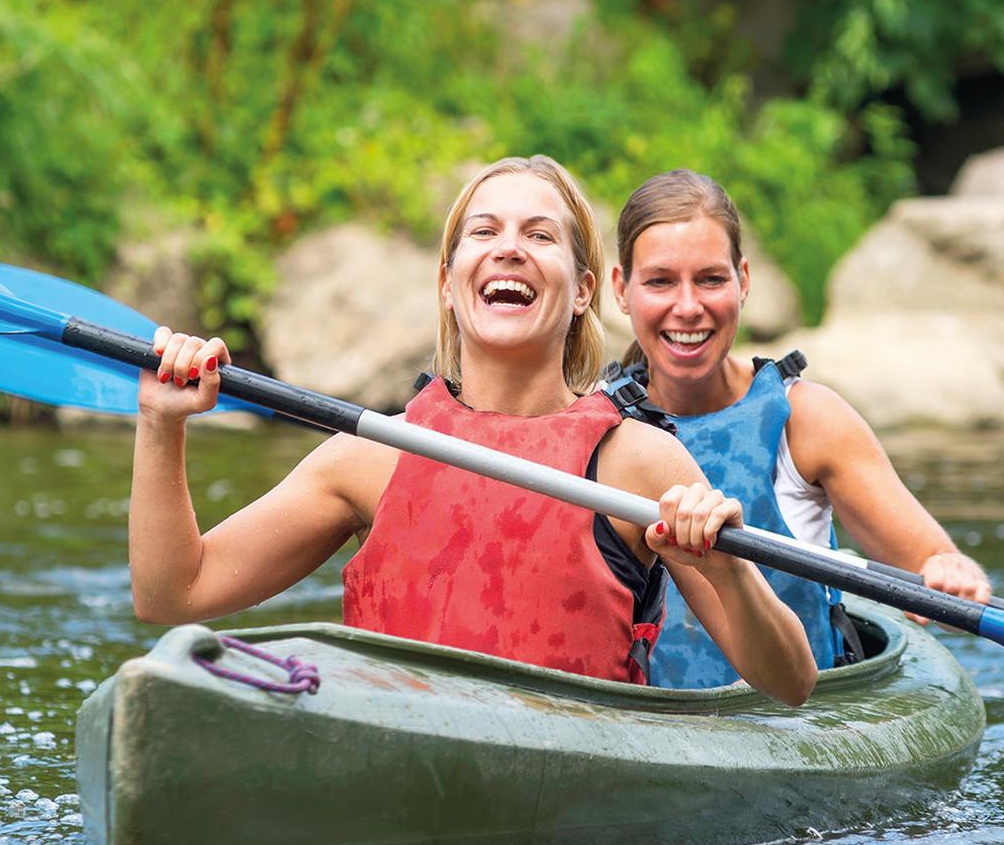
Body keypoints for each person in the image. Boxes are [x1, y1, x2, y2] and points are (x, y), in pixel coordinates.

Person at [129, 156, 817, 703]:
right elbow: (172, 594)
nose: (509, 250)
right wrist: (162, 426)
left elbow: (792, 685)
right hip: (393, 767)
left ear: (582, 291)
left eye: (539, 235)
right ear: (448, 281)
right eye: (484, 233)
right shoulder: (370, 457)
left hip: (572, 839)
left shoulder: (638, 463)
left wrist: (729, 574)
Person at [609, 168, 991, 688]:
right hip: (644, 725)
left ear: (744, 281)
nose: (688, 306)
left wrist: (951, 572)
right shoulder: (596, 424)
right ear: (620, 288)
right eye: (660, 281)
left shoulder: (807, 420)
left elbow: (933, 571)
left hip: (795, 723)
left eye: (711, 279)